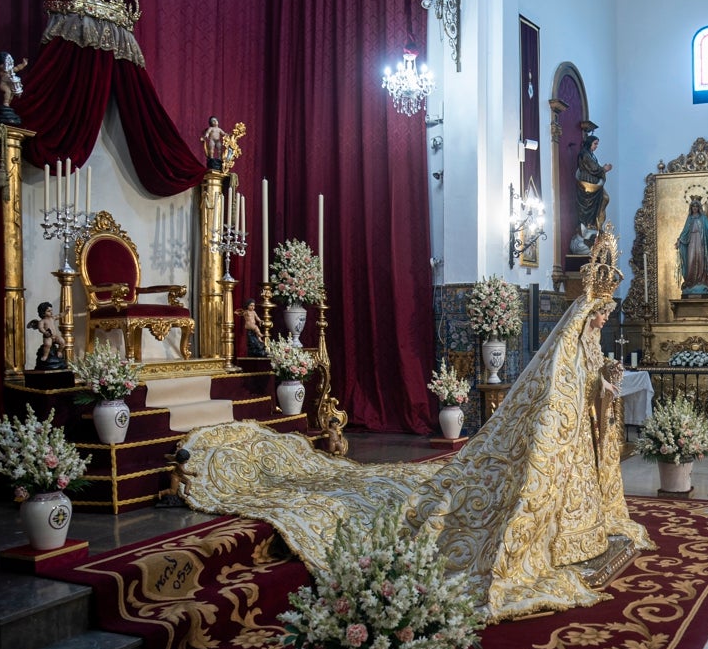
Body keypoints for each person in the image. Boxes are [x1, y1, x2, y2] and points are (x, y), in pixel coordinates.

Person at [176, 226, 653, 623]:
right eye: (601, 315)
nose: (603, 320)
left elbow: (587, 397)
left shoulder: (587, 347)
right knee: (411, 499)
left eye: (606, 315)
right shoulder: (569, 350)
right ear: (586, 317)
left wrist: (605, 388)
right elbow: (558, 414)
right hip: (531, 460)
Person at [675, 197, 708, 296]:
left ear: (699, 207)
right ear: (691, 208)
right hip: (691, 243)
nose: (695, 208)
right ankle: (691, 282)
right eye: (693, 206)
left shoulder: (703, 218)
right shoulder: (689, 219)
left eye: (696, 206)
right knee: (691, 261)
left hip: (700, 242)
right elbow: (684, 231)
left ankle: (702, 280)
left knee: (701, 260)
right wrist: (679, 240)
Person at [575, 135, 612, 230]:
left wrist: (603, 169)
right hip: (588, 182)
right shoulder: (585, 154)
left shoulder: (591, 154)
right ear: (589, 143)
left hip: (594, 183)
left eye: (597, 144)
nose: (596, 146)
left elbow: (595, 167)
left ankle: (597, 224)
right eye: (595, 144)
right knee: (589, 205)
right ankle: (590, 224)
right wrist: (604, 169)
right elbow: (594, 168)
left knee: (604, 199)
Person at [26, 301, 67, 370]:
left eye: (51, 310)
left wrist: (66, 312)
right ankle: (45, 355)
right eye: (49, 311)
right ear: (43, 313)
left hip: (55, 336)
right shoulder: (42, 321)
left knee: (63, 342)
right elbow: (40, 328)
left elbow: (59, 315)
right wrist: (45, 332)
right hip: (48, 336)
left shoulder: (52, 318)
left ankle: (59, 351)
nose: (51, 312)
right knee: (47, 345)